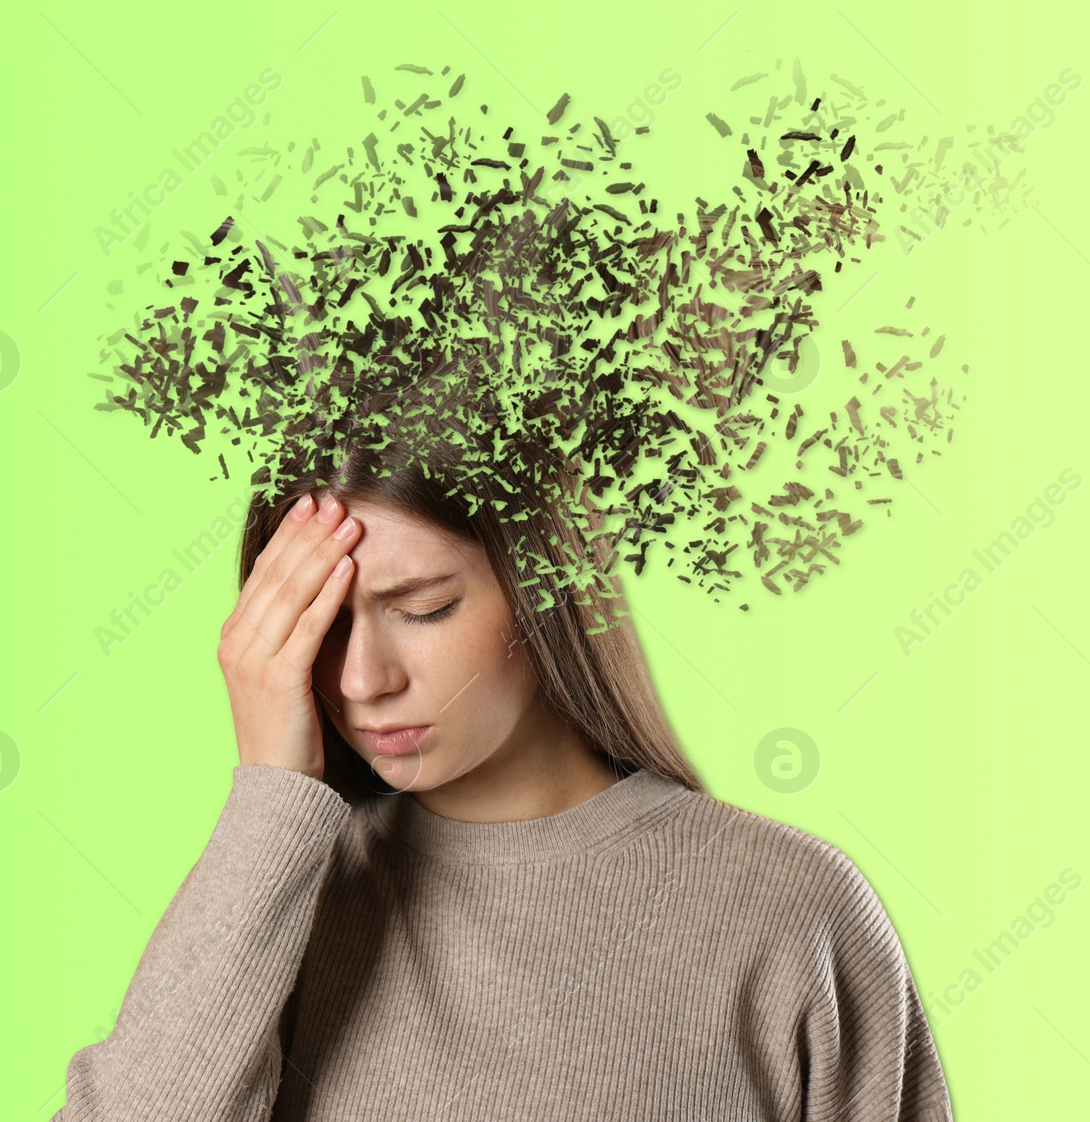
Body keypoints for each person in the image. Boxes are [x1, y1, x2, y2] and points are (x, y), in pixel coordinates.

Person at [49, 434, 955, 1121]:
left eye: (425, 609)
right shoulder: (277, 901)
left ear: (542, 587)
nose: (364, 680)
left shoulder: (786, 908)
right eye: (318, 627)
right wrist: (271, 797)